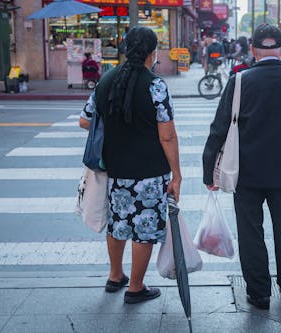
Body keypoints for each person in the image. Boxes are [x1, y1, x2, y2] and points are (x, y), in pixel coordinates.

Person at [202, 24, 281, 310]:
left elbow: (219, 129)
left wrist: (210, 171)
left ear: (254, 50)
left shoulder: (240, 81)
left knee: (250, 232)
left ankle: (258, 293)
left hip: (247, 173)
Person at [79, 26, 182, 305]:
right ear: (152, 52)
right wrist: (177, 174)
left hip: (115, 170)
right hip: (149, 171)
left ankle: (115, 275)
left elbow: (85, 120)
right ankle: (135, 287)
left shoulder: (106, 80)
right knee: (144, 229)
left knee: (118, 223)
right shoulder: (155, 85)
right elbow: (167, 135)